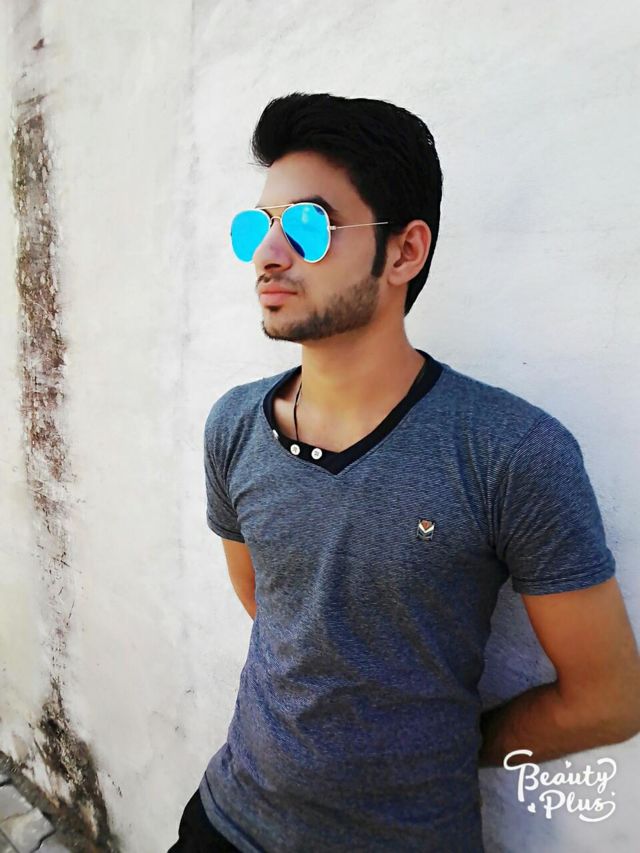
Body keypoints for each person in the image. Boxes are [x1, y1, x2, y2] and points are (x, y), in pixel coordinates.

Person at [171, 92, 640, 852]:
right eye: (257, 227)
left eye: (309, 226)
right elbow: (272, 604)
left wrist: (441, 747)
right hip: (226, 821)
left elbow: (608, 700)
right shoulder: (234, 426)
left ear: (404, 252)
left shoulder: (508, 451)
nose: (269, 254)